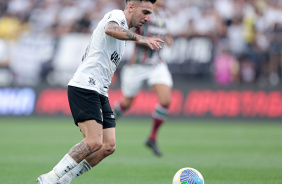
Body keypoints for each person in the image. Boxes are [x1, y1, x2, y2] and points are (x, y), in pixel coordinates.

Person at [36, 0, 164, 183]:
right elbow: (110, 29)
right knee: (94, 141)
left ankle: (64, 180)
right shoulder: (117, 16)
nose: (148, 17)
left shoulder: (126, 33)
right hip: (85, 86)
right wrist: (141, 38)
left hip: (100, 91)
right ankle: (49, 178)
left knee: (108, 146)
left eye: (150, 13)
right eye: (144, 12)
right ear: (131, 7)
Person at [113, 0, 173, 157]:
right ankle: (107, 123)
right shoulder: (144, 12)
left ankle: (152, 138)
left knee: (165, 100)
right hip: (138, 65)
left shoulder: (165, 14)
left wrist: (167, 38)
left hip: (157, 64)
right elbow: (130, 28)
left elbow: (162, 31)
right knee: (126, 103)